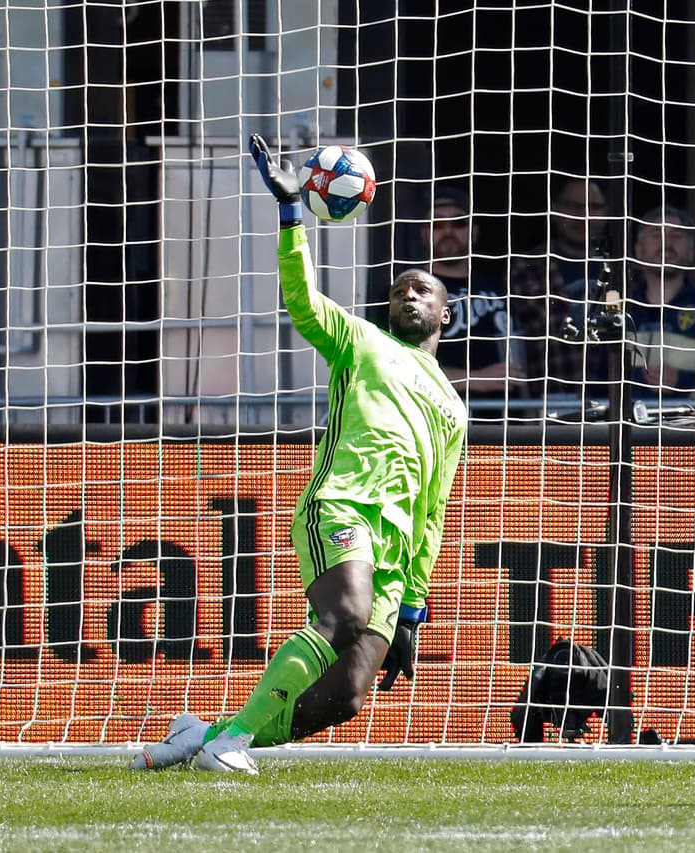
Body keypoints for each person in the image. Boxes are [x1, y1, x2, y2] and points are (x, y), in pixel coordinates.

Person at [130, 136, 466, 774]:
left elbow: (434, 508)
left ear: (446, 314)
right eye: (399, 290)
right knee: (343, 616)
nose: (408, 296)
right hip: (343, 506)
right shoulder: (363, 342)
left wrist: (413, 609)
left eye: (422, 291)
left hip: (398, 549)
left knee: (346, 694)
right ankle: (229, 745)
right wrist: (292, 216)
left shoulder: (453, 406)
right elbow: (305, 303)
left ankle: (208, 734)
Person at [419, 184, 527, 407]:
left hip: (506, 417)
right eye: (437, 224)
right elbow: (399, 365)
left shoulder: (499, 289)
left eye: (459, 223)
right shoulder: (409, 291)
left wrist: (528, 414)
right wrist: (475, 379)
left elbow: (519, 359)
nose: (448, 232)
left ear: (474, 231)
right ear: (423, 234)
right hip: (439, 416)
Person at [509, 177, 611, 403]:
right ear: (555, 209)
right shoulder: (527, 265)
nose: (583, 215)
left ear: (607, 212)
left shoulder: (624, 269)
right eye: (574, 206)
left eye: (593, 207)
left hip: (612, 403)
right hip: (547, 402)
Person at [620, 205, 695, 402]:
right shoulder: (621, 310)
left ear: (691, 252)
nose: (666, 242)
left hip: (688, 420)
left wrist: (682, 382)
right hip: (627, 420)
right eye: (656, 235)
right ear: (638, 251)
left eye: (677, 235)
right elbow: (598, 381)